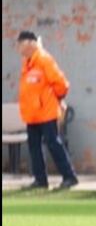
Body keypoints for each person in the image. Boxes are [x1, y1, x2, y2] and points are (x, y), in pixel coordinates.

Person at [16, 31, 78, 191]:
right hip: (33, 114)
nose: (19, 49)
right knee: (34, 146)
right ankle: (40, 180)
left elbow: (61, 83)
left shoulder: (44, 60)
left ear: (30, 43)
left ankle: (69, 176)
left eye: (20, 44)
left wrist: (57, 99)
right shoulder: (28, 63)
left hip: (46, 112)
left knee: (53, 143)